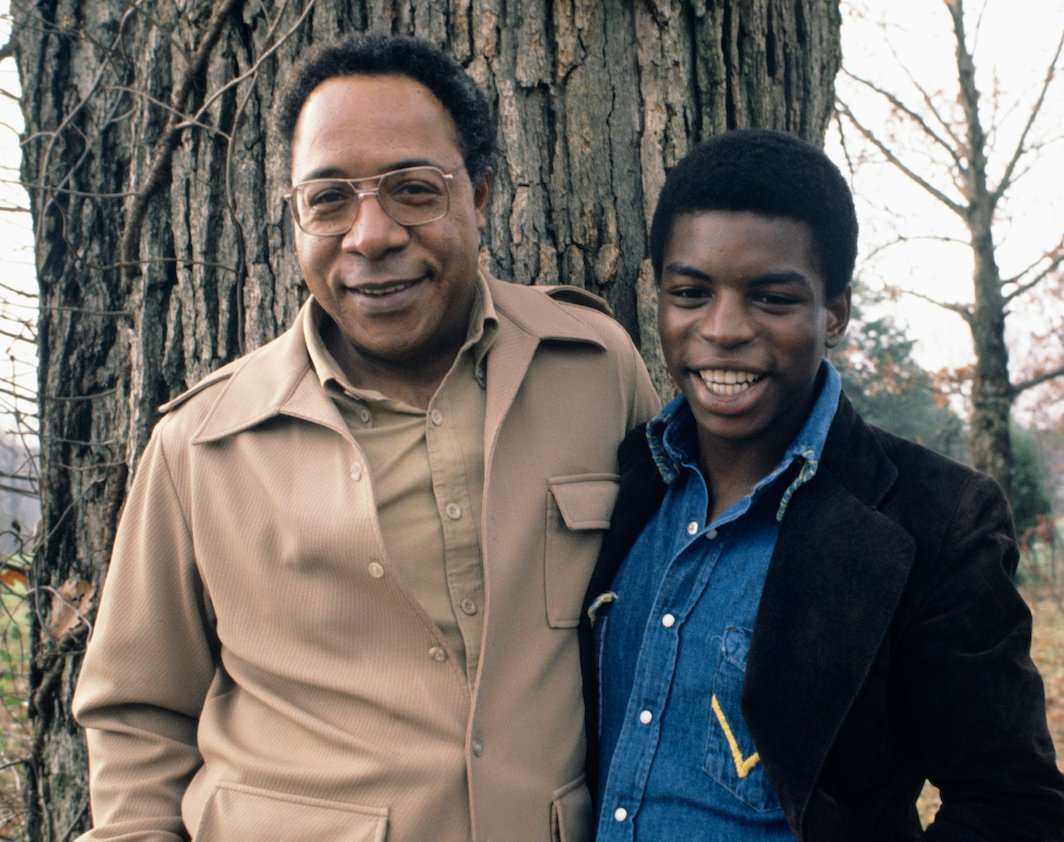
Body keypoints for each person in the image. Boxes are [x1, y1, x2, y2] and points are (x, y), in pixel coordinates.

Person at [73, 33, 658, 842]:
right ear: (296, 217)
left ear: (480, 195)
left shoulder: (596, 373)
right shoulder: (200, 449)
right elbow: (138, 719)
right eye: (330, 199)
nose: (371, 234)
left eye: (414, 190)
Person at [581, 128, 1064, 841]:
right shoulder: (625, 477)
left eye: (771, 299)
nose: (721, 329)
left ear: (834, 311)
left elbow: (1011, 799)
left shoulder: (932, 519)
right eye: (689, 292)